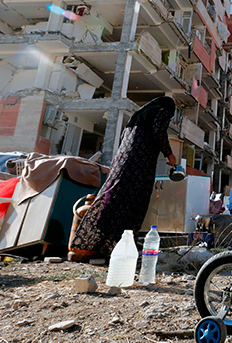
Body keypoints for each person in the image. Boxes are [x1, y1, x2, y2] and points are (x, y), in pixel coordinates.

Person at [69, 96, 177, 260]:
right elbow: (159, 131)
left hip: (123, 162)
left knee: (114, 195)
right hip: (139, 163)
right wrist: (170, 154)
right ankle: (119, 249)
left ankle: (94, 246)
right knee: (133, 201)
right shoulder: (163, 110)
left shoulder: (136, 121)